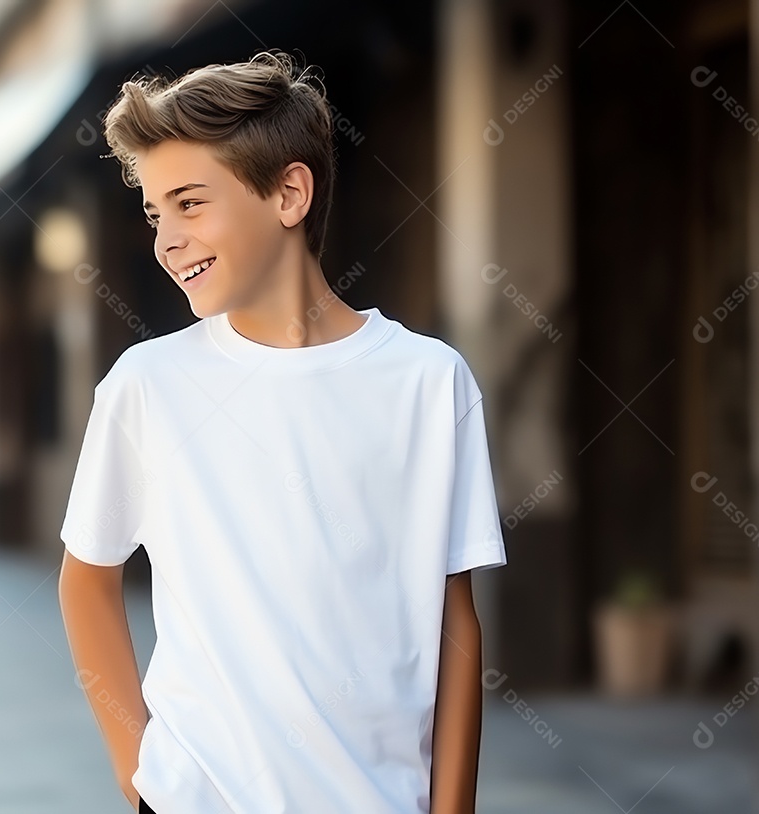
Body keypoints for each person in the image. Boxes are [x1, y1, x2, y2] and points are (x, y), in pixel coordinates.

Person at [58, 49, 508, 814]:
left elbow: (452, 618)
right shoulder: (146, 386)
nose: (166, 240)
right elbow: (86, 582)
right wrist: (141, 778)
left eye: (190, 204)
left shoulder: (428, 383)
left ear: (289, 193)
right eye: (156, 213)